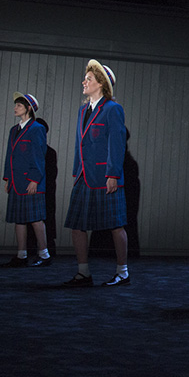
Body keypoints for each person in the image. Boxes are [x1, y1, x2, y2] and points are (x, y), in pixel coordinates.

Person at [62, 59, 130, 287]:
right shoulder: (83, 110)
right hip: (84, 175)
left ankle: (123, 272)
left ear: (101, 83)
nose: (84, 82)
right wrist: (76, 172)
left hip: (105, 175)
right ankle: (83, 273)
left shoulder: (113, 109)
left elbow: (116, 144)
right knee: (76, 225)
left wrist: (113, 174)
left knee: (115, 224)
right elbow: (79, 144)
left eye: (89, 79)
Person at [2, 92, 50, 267]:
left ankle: (44, 255)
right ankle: (21, 255)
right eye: (15, 105)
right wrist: (8, 178)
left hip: (30, 181)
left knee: (36, 219)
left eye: (19, 105)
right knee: (19, 219)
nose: (15, 108)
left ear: (29, 108)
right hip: (16, 181)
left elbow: (39, 156)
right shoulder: (13, 130)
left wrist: (34, 179)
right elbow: (10, 156)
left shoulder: (37, 129)